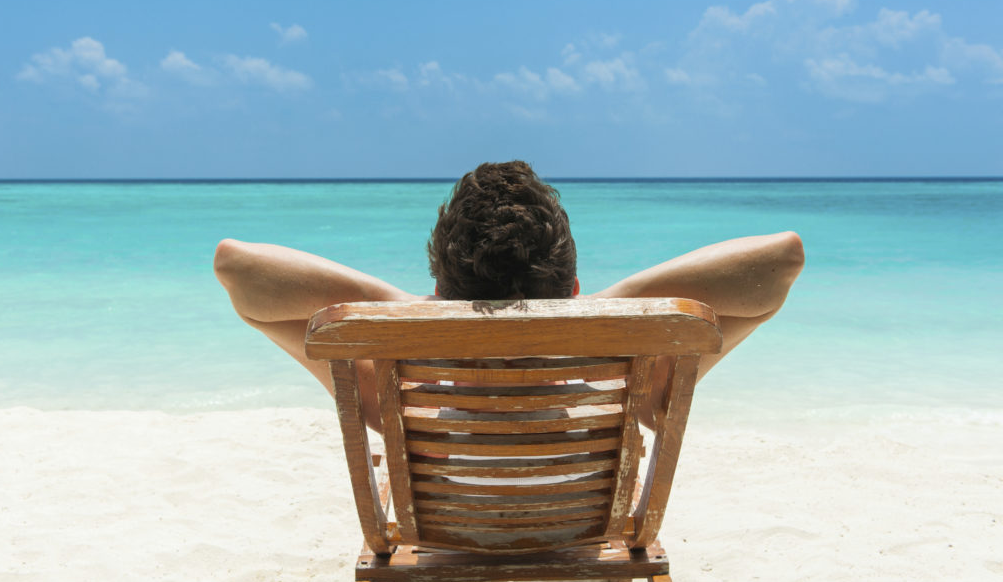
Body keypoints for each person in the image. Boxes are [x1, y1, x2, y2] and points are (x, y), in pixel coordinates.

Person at [214, 161, 804, 430]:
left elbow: (238, 269)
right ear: (572, 289)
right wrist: (610, 304)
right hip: (580, 534)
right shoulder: (629, 383)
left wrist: (408, 311)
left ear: (440, 289)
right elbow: (782, 260)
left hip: (443, 534)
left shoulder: (393, 386)